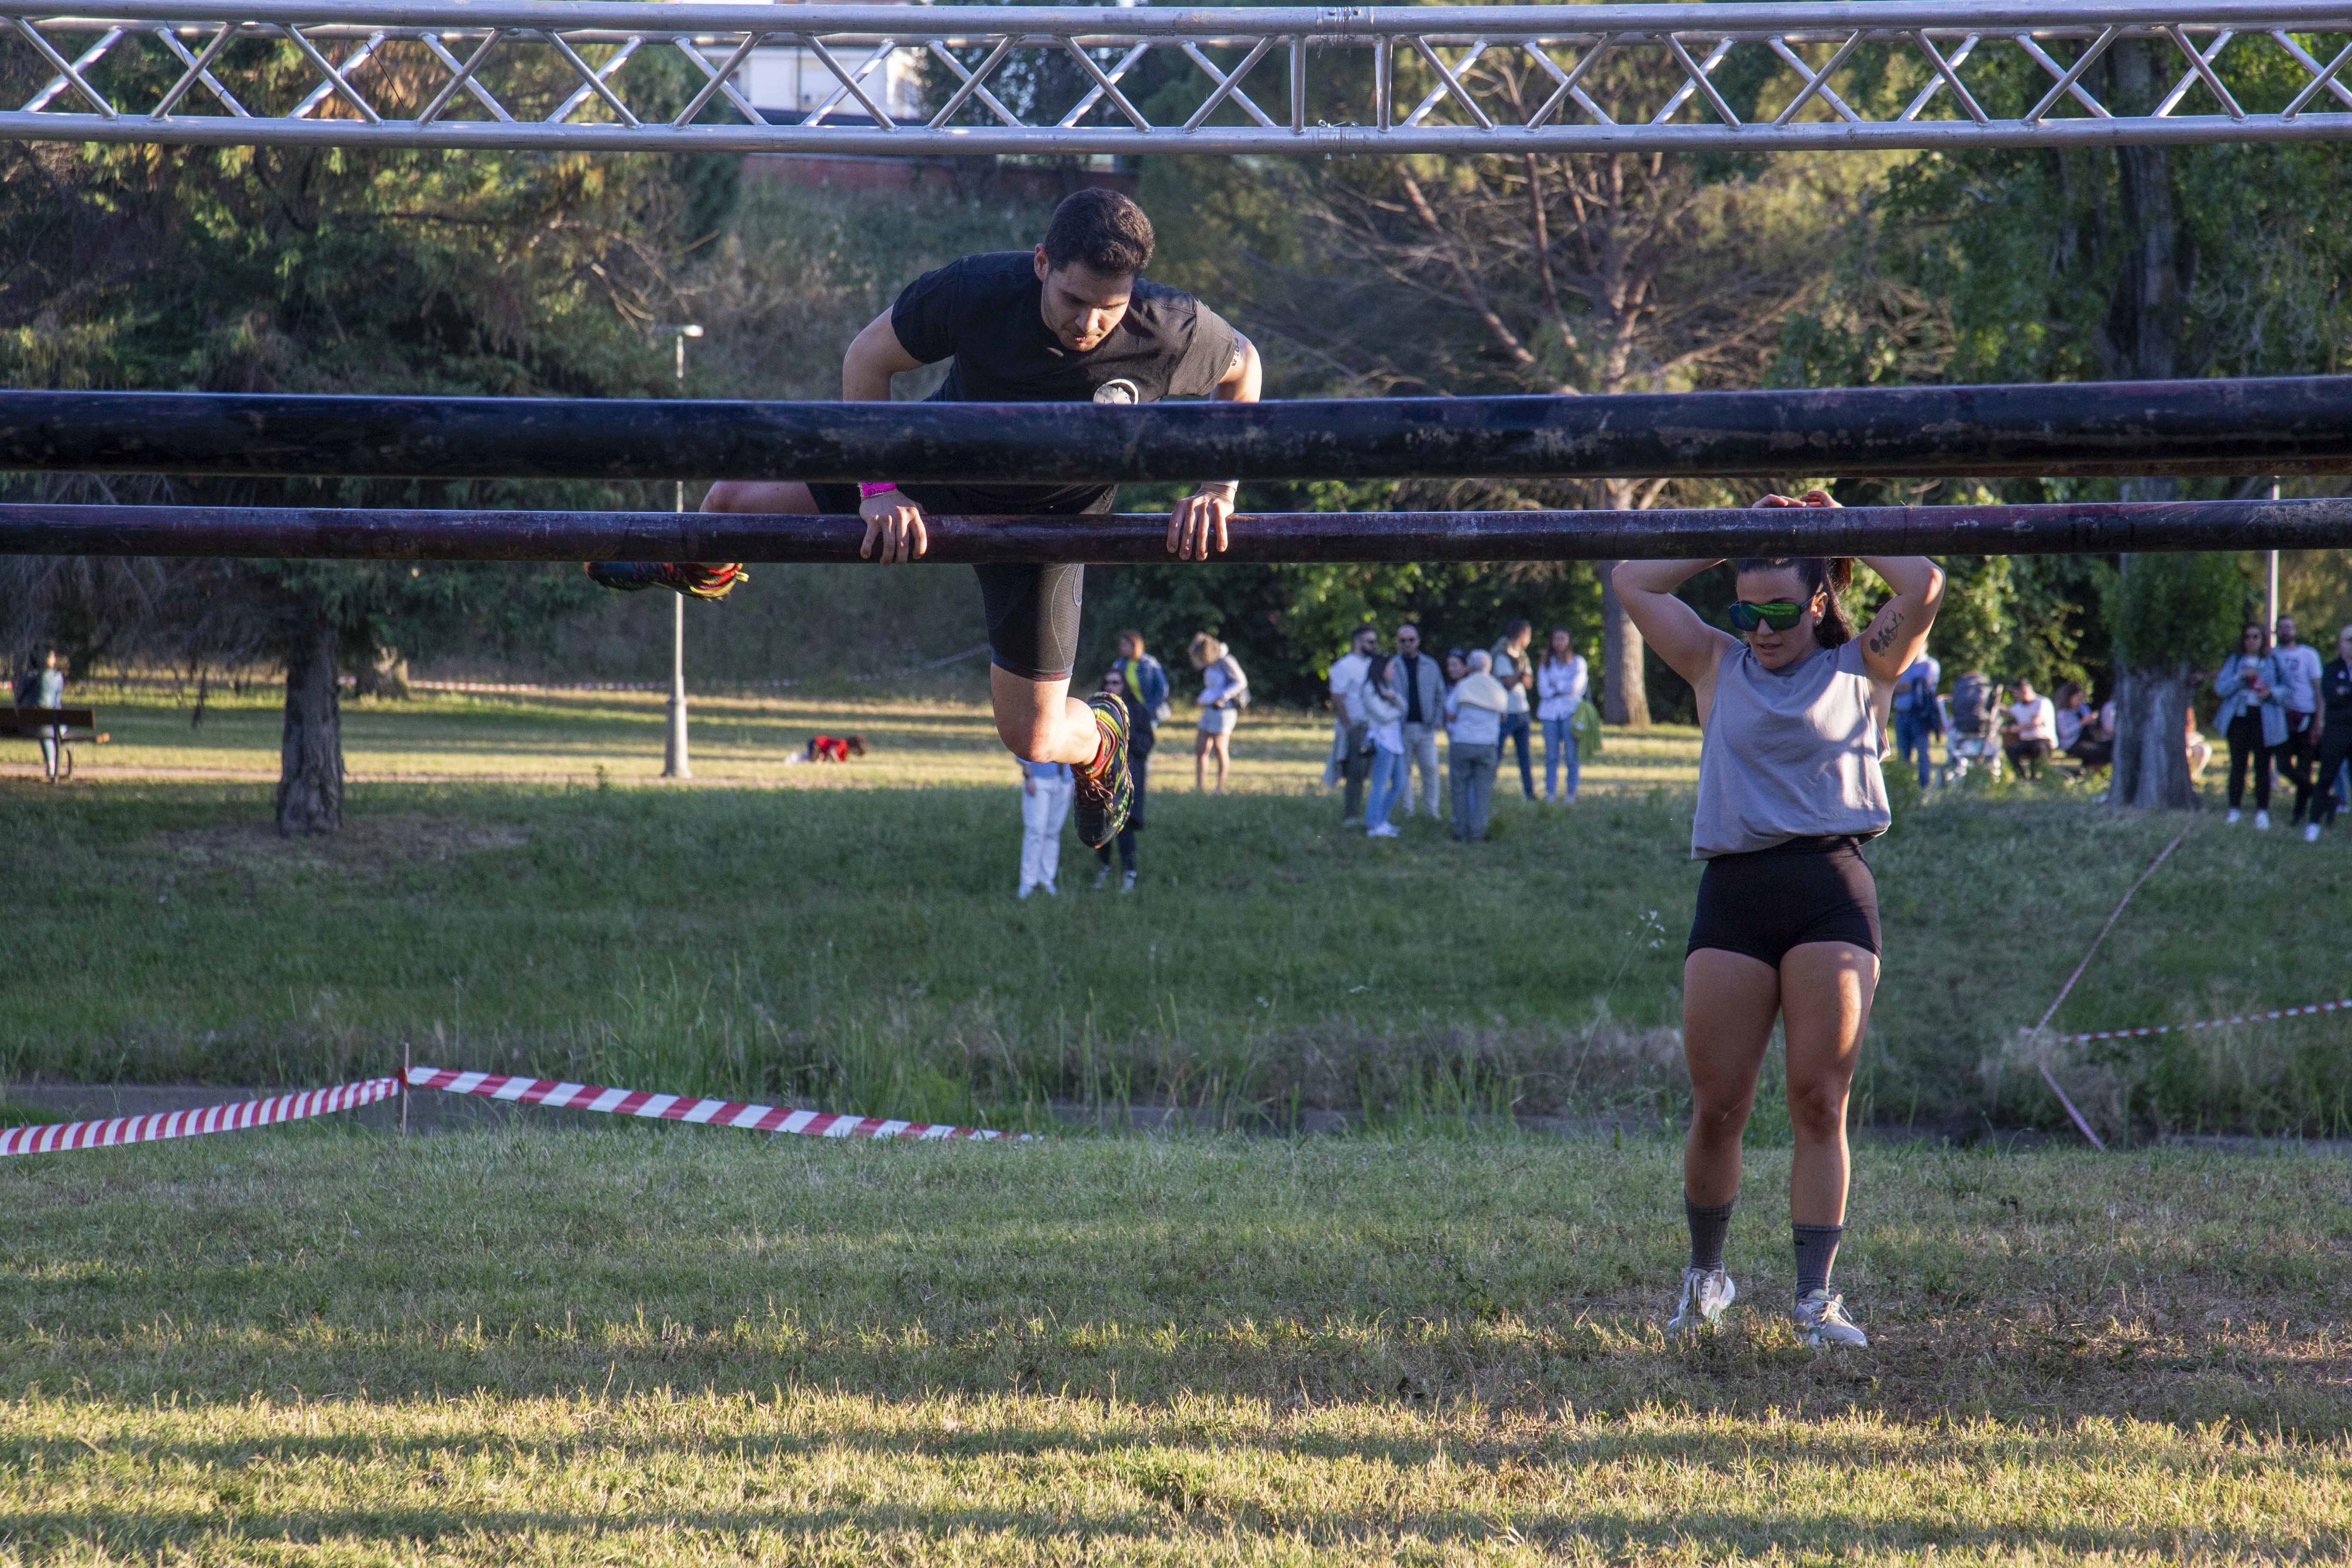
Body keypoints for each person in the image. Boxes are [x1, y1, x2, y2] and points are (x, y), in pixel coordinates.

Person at [599, 189, 1263, 855]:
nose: (1088, 323)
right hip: (931, 469)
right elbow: (868, 359)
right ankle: (702, 564)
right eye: (1073, 301)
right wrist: (879, 488)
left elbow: (1246, 369)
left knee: (1031, 738)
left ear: (1133, 290)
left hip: (1053, 523)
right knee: (730, 503)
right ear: (1041, 264)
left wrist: (1219, 489)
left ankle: (1102, 737)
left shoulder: (1170, 328)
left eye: (1108, 309)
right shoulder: (975, 291)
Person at [1613, 489, 1944, 1351]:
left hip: (1828, 887)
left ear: (1820, 602)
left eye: (1781, 610)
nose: (1762, 628)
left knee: (1817, 1098)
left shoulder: (1860, 668)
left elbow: (1925, 584)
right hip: (1735, 891)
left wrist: (1845, 526)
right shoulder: (1715, 663)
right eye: (1747, 609)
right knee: (1719, 1104)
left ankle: (1813, 1299)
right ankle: (1705, 1278)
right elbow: (1632, 583)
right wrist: (1723, 532)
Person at [2215, 622, 2286, 828]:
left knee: (2262, 766)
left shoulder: (2273, 661)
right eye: (2247, 637)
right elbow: (2221, 688)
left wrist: (2271, 693)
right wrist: (2239, 678)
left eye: (2256, 637)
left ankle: (2262, 811)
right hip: (2239, 718)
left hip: (2264, 718)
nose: (2251, 641)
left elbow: (2287, 689)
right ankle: (2234, 809)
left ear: (2263, 639)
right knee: (2238, 765)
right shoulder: (2236, 660)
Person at [1444, 649, 1509, 842]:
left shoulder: (1463, 686)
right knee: (1482, 790)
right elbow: (1504, 716)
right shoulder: (1498, 688)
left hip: (1462, 742)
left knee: (1460, 787)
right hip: (1487, 745)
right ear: (1490, 667)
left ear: (1470, 667)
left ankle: (1461, 831)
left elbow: (1449, 713)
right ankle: (1478, 832)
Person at [1093, 665, 1147, 891]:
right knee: (1102, 826)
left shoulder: (1138, 711)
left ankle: (1130, 872)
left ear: (1125, 686)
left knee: (1124, 827)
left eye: (1116, 682)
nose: (1111, 687)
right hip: (1102, 778)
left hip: (1128, 776)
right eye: (1108, 682)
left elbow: (1146, 743)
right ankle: (1104, 867)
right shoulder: (1096, 710)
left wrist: (1123, 738)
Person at [2272, 614, 2324, 832]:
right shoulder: (2272, 656)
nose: (2286, 631)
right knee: (2283, 765)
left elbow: (2318, 690)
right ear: (2276, 631)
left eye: (2289, 628)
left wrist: (2319, 720)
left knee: (2305, 766)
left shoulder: (2309, 655)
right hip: (2282, 717)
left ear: (2295, 631)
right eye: (2282, 628)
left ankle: (2300, 813)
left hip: (2306, 716)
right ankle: (2323, 798)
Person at [1392, 623, 1446, 820]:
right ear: (1398, 642)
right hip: (1401, 728)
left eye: (1411, 640)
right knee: (1403, 772)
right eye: (1403, 641)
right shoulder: (1392, 666)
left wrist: (1437, 720)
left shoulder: (1430, 665)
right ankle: (1407, 811)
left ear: (1418, 642)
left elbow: (1441, 695)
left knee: (1430, 770)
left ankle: (1432, 811)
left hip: (1426, 728)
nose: (1407, 644)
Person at [1327, 624, 1380, 823]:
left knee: (1374, 772)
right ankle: (1351, 815)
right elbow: (1337, 698)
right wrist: (1349, 726)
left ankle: (1374, 815)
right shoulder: (1344, 666)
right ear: (1357, 643)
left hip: (1376, 724)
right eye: (1370, 642)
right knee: (1355, 771)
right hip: (1356, 725)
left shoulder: (1374, 664)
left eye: (1375, 642)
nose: (1375, 646)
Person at [1534, 628, 1589, 804]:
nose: (1560, 642)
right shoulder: (1546, 663)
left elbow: (1577, 688)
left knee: (1572, 755)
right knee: (1551, 756)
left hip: (1570, 712)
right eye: (1556, 639)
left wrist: (1556, 686)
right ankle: (1550, 793)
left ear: (1569, 641)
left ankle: (1571, 794)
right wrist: (1563, 687)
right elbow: (1543, 690)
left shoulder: (1578, 662)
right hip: (1549, 714)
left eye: (1563, 639)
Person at [2310, 625, 2352, 839]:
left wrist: (2345, 690)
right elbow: (2331, 696)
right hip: (2336, 733)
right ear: (2340, 644)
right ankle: (2313, 825)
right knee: (2326, 778)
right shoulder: (2331, 669)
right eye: (2349, 640)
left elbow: (2341, 694)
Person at [1360, 652, 1408, 838]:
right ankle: (1373, 825)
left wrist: (1394, 700)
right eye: (1391, 667)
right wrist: (1395, 708)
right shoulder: (1370, 689)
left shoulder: (1387, 688)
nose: (1393, 671)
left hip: (1395, 742)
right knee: (1380, 784)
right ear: (1382, 668)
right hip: (1382, 742)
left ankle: (1382, 820)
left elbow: (1404, 706)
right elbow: (1384, 716)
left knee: (1400, 782)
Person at [1192, 632, 1246, 793]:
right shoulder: (1210, 663)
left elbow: (1241, 681)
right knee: (1201, 747)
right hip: (1210, 709)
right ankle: (1199, 787)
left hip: (1225, 711)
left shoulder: (1226, 661)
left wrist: (1223, 698)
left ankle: (1220, 788)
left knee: (1219, 747)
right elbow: (1211, 686)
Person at [1489, 619, 1537, 802]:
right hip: (1505, 712)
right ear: (1521, 635)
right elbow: (1508, 683)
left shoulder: (1522, 656)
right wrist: (1520, 674)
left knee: (1525, 756)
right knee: (1497, 753)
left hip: (1522, 711)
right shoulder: (1501, 655)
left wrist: (1519, 674)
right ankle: (1488, 788)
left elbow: (1529, 683)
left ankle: (1530, 793)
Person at [1017, 756, 1072, 898]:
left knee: (1053, 832)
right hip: (1039, 777)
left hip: (1065, 779)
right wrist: (1028, 774)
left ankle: (1047, 879)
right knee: (1035, 830)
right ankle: (1027, 882)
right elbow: (1024, 739)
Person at [1890, 646, 1941, 789]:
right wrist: (1915, 685)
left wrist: (1908, 686)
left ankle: (1924, 787)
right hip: (1902, 715)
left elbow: (1926, 687)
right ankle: (1903, 787)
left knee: (1923, 754)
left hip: (1920, 717)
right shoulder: (1904, 665)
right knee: (1903, 754)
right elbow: (1892, 687)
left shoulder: (1930, 665)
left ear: (1926, 646)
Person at [2002, 679, 2057, 780]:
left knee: (2038, 749)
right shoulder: (2019, 706)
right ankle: (2022, 778)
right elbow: (2008, 711)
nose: (2014, 696)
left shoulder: (2043, 703)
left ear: (2025, 691)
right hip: (2026, 742)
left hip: (2043, 742)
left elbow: (2036, 722)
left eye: (2016, 693)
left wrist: (2013, 729)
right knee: (2011, 750)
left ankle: (2039, 778)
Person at [28, 649, 64, 783]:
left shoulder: (30, 676)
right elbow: (57, 702)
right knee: (50, 729)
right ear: (52, 660)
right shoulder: (57, 677)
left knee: (44, 728)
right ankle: (52, 766)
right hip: (47, 726)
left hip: (27, 725)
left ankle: (50, 764)